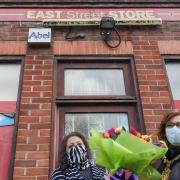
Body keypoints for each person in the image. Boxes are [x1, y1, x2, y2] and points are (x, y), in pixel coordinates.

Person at [157, 111, 180, 180]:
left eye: (179, 125)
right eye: (170, 125)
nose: (175, 128)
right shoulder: (159, 156)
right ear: (164, 131)